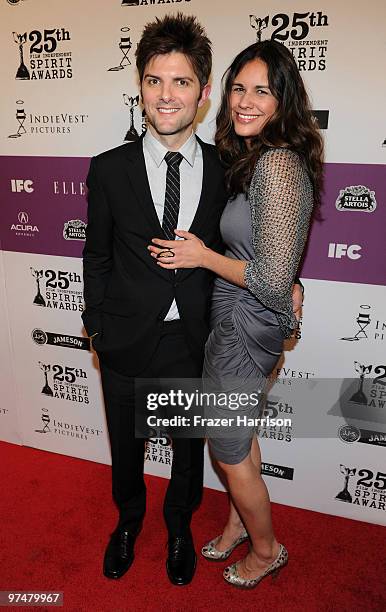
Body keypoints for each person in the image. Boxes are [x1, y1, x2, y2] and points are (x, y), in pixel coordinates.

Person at [148, 39, 323, 588]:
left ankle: (267, 549)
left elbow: (270, 279)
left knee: (227, 446)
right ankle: (238, 526)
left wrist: (202, 256)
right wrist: (287, 279)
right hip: (240, 319)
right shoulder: (257, 159)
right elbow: (278, 256)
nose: (245, 102)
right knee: (240, 440)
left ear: (283, 102)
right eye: (238, 89)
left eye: (262, 92)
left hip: (248, 323)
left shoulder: (276, 164)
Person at [82, 13, 225, 586]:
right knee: (127, 444)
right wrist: (96, 324)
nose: (166, 95)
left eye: (181, 82)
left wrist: (288, 281)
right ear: (140, 86)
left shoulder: (224, 171)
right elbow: (96, 255)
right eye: (154, 80)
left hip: (191, 339)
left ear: (204, 93)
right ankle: (128, 523)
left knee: (188, 452)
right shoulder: (108, 169)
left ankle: (179, 527)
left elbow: (249, 247)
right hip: (123, 335)